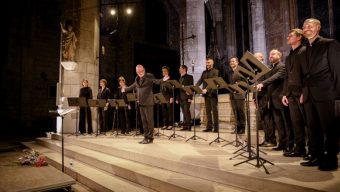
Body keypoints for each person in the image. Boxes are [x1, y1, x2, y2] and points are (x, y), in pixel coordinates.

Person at [299, 18, 340, 171]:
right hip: (309, 94)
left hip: (326, 92)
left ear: (318, 28)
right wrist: (304, 92)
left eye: (309, 26)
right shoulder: (305, 48)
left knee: (329, 128)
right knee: (313, 128)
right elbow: (306, 74)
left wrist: (337, 95)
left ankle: (331, 159)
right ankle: (316, 156)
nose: (306, 28)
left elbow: (337, 71)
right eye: (304, 26)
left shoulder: (329, 44)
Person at [256, 49, 293, 153]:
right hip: (272, 100)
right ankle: (282, 143)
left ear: (279, 55)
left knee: (286, 124)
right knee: (279, 124)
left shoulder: (282, 66)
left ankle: (289, 145)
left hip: (281, 98)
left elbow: (274, 78)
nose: (270, 56)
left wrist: (262, 83)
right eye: (270, 54)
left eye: (273, 54)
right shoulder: (272, 68)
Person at [281, 29, 307, 158]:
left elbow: (307, 74)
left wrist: (305, 92)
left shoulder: (304, 51)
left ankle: (314, 151)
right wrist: (285, 94)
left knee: (309, 123)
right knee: (296, 123)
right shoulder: (289, 56)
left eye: (290, 35)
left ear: (299, 38)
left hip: (302, 93)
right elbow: (286, 77)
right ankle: (300, 149)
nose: (287, 37)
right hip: (291, 94)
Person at [122, 64, 156, 144]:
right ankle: (146, 137)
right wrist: (125, 89)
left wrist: (162, 80)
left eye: (141, 71)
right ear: (136, 72)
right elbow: (132, 86)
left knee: (149, 121)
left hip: (148, 102)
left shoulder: (149, 76)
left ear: (144, 69)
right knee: (144, 121)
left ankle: (150, 138)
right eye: (138, 71)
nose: (140, 72)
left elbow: (156, 81)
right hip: (141, 103)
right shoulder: (137, 79)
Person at [253, 52, 276, 147]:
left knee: (268, 119)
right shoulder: (256, 71)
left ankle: (272, 140)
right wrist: (254, 98)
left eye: (256, 58)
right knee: (263, 119)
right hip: (259, 97)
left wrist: (268, 98)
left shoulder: (266, 69)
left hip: (265, 96)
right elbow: (255, 85)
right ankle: (266, 139)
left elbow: (268, 84)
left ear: (261, 58)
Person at [195, 57, 220, 132]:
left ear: (212, 63)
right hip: (205, 94)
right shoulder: (204, 72)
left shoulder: (216, 71)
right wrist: (194, 88)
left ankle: (216, 128)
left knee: (214, 111)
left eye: (209, 62)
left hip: (213, 93)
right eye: (206, 63)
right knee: (208, 111)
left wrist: (207, 89)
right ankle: (209, 127)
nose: (207, 64)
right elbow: (200, 81)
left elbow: (213, 81)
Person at [229, 57, 246, 134]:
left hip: (240, 94)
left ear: (237, 62)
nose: (231, 62)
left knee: (240, 111)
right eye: (230, 61)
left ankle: (242, 128)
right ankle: (237, 127)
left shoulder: (241, 71)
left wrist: (238, 85)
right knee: (235, 112)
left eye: (233, 61)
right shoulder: (231, 73)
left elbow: (245, 82)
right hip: (232, 95)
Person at [176, 65, 194, 131]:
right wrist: (177, 98)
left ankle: (189, 126)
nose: (179, 69)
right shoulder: (180, 78)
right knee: (184, 112)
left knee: (187, 112)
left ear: (184, 69)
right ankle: (185, 126)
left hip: (187, 97)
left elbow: (191, 88)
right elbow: (178, 89)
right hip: (181, 98)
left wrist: (190, 97)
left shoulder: (190, 77)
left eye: (180, 68)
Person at [159, 66, 174, 130]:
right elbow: (160, 89)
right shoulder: (162, 80)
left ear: (167, 72)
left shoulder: (170, 79)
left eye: (164, 71)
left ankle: (170, 124)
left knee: (169, 111)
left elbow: (172, 89)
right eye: (162, 71)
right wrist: (160, 98)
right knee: (164, 111)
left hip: (168, 96)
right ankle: (165, 124)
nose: (163, 72)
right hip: (163, 97)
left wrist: (171, 97)